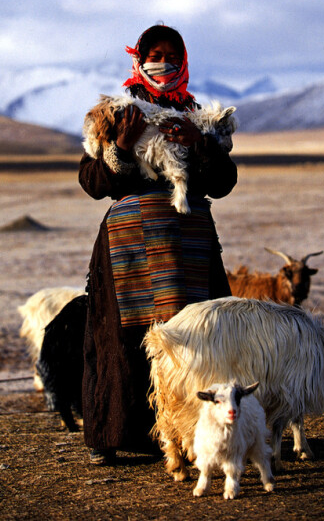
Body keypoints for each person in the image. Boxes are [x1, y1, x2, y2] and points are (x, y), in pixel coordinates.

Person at [79, 24, 238, 466]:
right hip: (128, 240)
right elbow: (92, 181)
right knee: (123, 334)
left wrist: (201, 147)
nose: (162, 63)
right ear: (139, 59)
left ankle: (196, 435)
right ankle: (112, 432)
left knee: (196, 334)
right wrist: (123, 148)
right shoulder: (119, 112)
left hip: (189, 238)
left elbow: (224, 182)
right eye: (154, 54)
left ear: (184, 61)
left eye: (171, 55)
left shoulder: (198, 116)